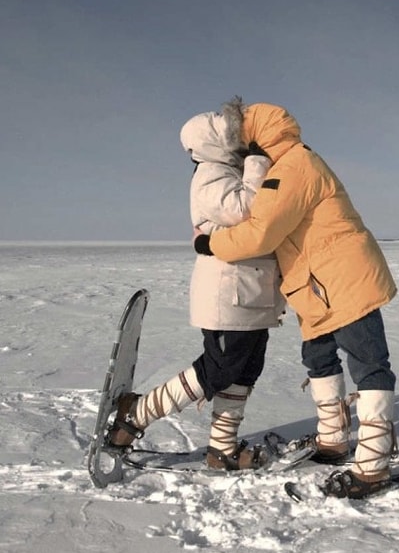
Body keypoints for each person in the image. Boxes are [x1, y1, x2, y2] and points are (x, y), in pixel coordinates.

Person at [193, 102, 399, 498]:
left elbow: (260, 233)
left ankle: (373, 464)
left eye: (242, 139)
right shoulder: (285, 166)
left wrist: (209, 242)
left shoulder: (294, 167)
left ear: (257, 136)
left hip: (344, 279)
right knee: (318, 360)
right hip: (314, 287)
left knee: (369, 363)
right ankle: (334, 441)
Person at [108, 98, 285, 471]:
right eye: (233, 136)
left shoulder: (229, 171)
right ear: (213, 143)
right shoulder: (210, 176)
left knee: (246, 369)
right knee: (219, 369)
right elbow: (246, 210)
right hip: (228, 295)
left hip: (252, 293)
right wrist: (257, 163)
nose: (242, 141)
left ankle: (221, 449)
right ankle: (134, 414)